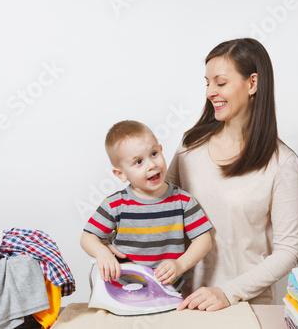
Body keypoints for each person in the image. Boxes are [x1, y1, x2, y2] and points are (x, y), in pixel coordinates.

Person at [165, 38, 298, 311]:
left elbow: (288, 251)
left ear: (252, 84)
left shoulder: (281, 163)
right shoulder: (190, 147)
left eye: (220, 82)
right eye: (207, 83)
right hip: (183, 303)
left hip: (247, 306)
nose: (210, 92)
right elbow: (162, 209)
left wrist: (228, 292)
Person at [80, 120, 213, 288]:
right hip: (122, 289)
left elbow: (204, 240)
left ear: (161, 150)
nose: (152, 164)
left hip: (168, 291)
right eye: (138, 162)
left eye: (154, 154)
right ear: (121, 174)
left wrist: (180, 265)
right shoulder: (115, 204)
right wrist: (102, 253)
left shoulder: (184, 201)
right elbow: (87, 237)